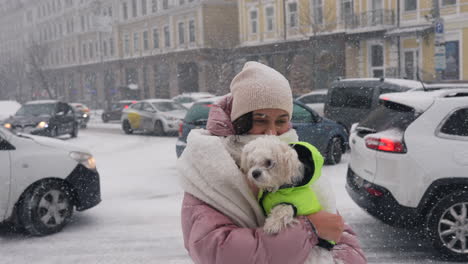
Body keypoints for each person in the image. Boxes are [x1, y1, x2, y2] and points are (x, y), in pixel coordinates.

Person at [177, 61, 366, 264]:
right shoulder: (208, 166)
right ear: (240, 121)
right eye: (260, 120)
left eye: (281, 121)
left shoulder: (294, 160)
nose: (272, 132)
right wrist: (308, 230)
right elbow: (217, 251)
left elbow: (340, 233)